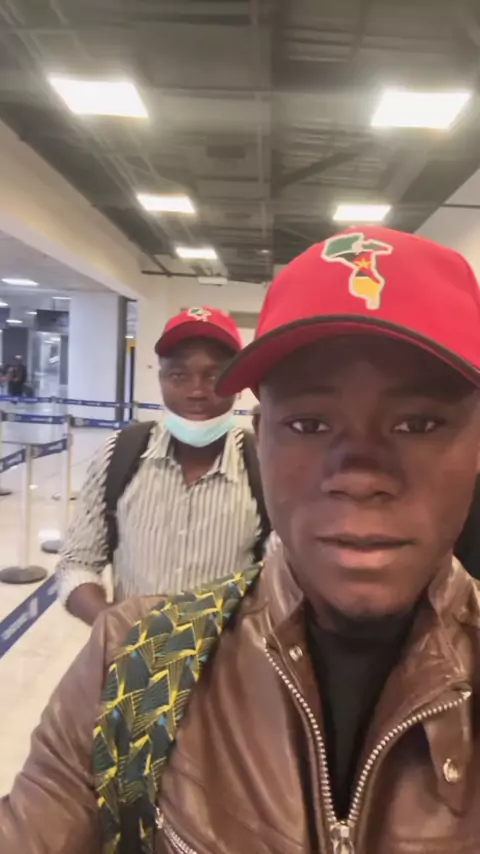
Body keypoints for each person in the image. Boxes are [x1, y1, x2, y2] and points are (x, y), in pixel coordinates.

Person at [2, 226, 480, 853]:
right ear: (265, 434)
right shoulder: (132, 658)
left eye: (417, 424)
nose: (360, 475)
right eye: (309, 424)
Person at [56, 307, 270, 625]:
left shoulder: (263, 465)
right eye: (179, 375)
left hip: (227, 653)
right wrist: (113, 627)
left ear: (236, 385)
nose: (196, 391)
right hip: (129, 650)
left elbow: (283, 577)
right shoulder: (119, 455)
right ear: (161, 380)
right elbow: (76, 562)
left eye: (214, 376)